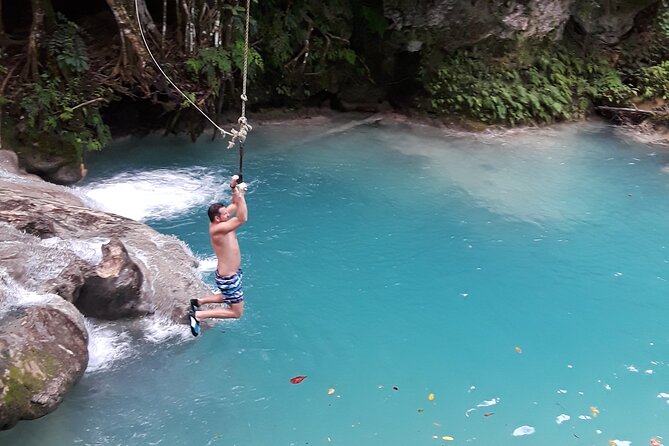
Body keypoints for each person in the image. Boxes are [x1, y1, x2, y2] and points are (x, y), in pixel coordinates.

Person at [188, 175, 248, 336]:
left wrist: (234, 186)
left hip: (232, 274)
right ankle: (198, 315)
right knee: (236, 312)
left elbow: (235, 204)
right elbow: (242, 218)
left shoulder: (220, 221)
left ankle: (198, 302)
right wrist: (241, 195)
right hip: (228, 277)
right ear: (217, 218)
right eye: (225, 214)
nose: (228, 214)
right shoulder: (218, 229)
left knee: (228, 296)